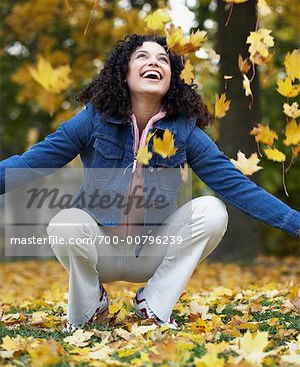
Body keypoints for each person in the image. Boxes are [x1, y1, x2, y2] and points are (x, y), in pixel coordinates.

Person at [1, 34, 299, 334]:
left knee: (213, 210)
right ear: (124, 72)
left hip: (152, 251)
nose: (154, 61)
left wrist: (295, 223)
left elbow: (237, 186)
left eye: (163, 59)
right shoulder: (94, 120)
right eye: (142, 56)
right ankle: (90, 305)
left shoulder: (184, 131)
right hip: (99, 249)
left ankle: (153, 304)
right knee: (65, 222)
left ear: (173, 77)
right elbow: (30, 164)